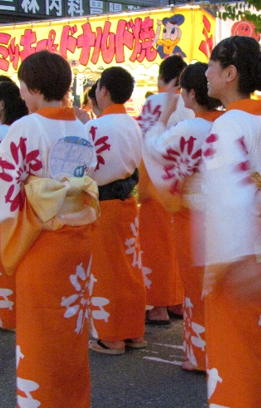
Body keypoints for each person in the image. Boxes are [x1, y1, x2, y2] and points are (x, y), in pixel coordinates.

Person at [0, 50, 99, 407]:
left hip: (41, 238)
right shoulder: (81, 127)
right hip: (77, 238)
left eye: (22, 86)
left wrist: (20, 200)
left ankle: (42, 400)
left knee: (40, 329)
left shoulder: (28, 127)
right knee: (71, 328)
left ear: (32, 88)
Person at [201, 36, 261, 407]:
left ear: (229, 72)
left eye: (211, 65)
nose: (206, 73)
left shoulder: (228, 126)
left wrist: (221, 264)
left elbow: (227, 198)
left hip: (238, 254)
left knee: (236, 353)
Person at [142, 62, 222, 372]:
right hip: (226, 212)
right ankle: (222, 348)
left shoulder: (191, 128)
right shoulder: (228, 122)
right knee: (218, 287)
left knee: (196, 285)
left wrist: (160, 117)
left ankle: (201, 355)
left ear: (189, 93)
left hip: (195, 215)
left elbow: (155, 148)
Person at [85, 67, 146, 355]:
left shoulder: (94, 128)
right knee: (129, 268)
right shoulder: (134, 124)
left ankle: (111, 336)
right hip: (127, 203)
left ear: (104, 90)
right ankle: (133, 331)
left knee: (106, 270)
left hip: (102, 204)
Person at [136, 55, 193, 324]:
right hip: (185, 184)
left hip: (159, 183)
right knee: (177, 244)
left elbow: (145, 145)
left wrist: (143, 186)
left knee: (156, 247)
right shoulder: (192, 103)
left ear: (161, 77)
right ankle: (177, 301)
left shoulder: (155, 102)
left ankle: (158, 305)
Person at [0, 80, 29, 331]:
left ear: (0, 104)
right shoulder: (23, 128)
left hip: (1, 207)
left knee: (1, 261)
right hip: (27, 207)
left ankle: (7, 316)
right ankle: (25, 310)